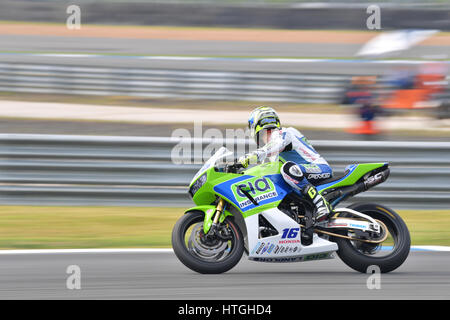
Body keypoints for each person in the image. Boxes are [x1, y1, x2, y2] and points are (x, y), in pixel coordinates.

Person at [237, 106, 333, 226]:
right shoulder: (272, 153)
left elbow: (276, 144)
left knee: (287, 168)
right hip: (302, 176)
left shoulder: (284, 133)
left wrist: (250, 156)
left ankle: (321, 204)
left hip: (319, 168)